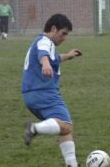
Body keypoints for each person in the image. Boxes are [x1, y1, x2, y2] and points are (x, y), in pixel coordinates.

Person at [22, 14, 82, 167]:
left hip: (32, 94)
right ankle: (34, 128)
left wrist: (68, 55)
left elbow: (52, 57)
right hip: (44, 92)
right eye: (63, 33)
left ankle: (72, 164)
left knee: (64, 129)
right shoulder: (44, 41)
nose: (64, 38)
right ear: (53, 29)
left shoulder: (44, 43)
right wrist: (45, 63)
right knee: (66, 125)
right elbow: (44, 53)